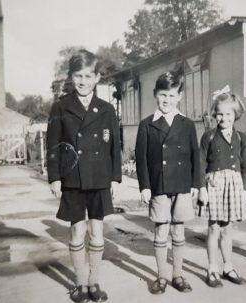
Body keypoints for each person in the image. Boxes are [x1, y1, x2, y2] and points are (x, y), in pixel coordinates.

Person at [46, 49, 122, 302]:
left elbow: (115, 147)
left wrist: (114, 178)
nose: (83, 81)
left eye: (88, 75)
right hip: (73, 179)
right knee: (77, 232)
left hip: (99, 178)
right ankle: (80, 284)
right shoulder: (61, 106)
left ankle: (94, 283)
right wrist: (55, 177)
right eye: (78, 75)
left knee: (97, 232)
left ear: (97, 77)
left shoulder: (107, 108)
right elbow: (53, 145)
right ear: (71, 77)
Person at [135, 71, 200, 294]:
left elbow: (195, 156)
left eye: (172, 96)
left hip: (181, 185)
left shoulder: (187, 124)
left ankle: (178, 275)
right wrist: (144, 185)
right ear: (155, 95)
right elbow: (141, 157)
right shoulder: (146, 125)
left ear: (179, 96)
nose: (167, 100)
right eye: (163, 95)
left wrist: (196, 184)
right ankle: (162, 276)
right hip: (158, 185)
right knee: (161, 230)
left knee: (179, 232)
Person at [198, 85, 246, 288]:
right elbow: (201, 164)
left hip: (234, 187)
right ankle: (212, 268)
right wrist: (202, 188)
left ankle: (228, 267)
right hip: (214, 186)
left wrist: (245, 191)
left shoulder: (241, 137)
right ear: (214, 115)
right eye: (219, 114)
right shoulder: (209, 136)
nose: (223, 118)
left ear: (235, 114)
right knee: (213, 228)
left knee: (227, 229)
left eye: (228, 114)